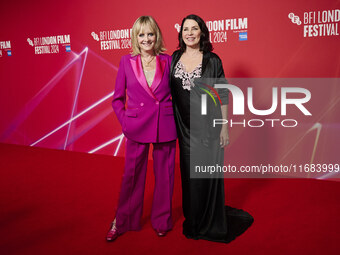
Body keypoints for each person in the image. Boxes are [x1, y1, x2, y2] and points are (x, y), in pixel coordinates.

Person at [170, 14, 253, 243]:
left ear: (202, 32)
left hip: (208, 128)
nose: (189, 33)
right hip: (184, 129)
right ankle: (194, 219)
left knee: (205, 175)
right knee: (189, 177)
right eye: (185, 29)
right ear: (181, 33)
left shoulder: (213, 60)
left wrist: (224, 126)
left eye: (194, 29)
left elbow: (223, 94)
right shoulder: (174, 58)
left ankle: (208, 220)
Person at [106, 16, 177, 242]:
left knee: (165, 176)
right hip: (136, 126)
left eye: (150, 34)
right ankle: (123, 220)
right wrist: (126, 122)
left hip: (164, 124)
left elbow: (179, 95)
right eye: (141, 34)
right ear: (135, 37)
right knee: (132, 176)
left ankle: (162, 221)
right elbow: (117, 99)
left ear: (157, 35)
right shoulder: (126, 62)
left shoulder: (169, 60)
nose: (146, 39)